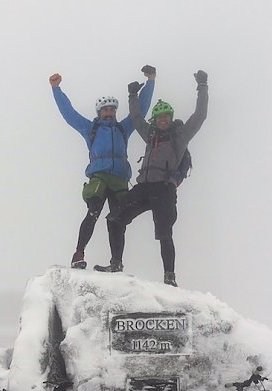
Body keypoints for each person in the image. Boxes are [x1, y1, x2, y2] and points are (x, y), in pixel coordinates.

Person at [94, 70, 208, 287]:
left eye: (166, 116)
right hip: (144, 187)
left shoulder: (180, 136)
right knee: (114, 219)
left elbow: (200, 115)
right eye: (159, 117)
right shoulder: (151, 135)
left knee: (164, 233)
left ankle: (169, 277)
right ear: (155, 119)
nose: (163, 120)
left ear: (171, 118)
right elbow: (137, 119)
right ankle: (116, 263)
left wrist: (202, 85)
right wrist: (133, 96)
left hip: (164, 189)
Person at [49, 66, 156, 269]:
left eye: (112, 110)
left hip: (119, 180)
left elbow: (140, 109)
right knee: (93, 213)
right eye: (106, 110)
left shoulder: (123, 128)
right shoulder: (91, 128)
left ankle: (116, 263)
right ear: (99, 112)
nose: (110, 112)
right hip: (99, 177)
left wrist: (151, 81)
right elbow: (69, 114)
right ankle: (78, 254)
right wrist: (56, 89)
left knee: (117, 221)